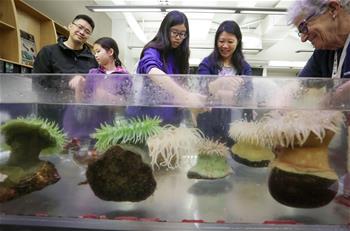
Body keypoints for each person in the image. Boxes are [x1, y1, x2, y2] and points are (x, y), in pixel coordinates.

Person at [288, 0, 350, 206]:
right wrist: (277, 118)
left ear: (333, 10)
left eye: (304, 27)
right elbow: (296, 88)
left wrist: (331, 99)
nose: (304, 38)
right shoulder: (324, 51)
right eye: (300, 32)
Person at [126, 10, 205, 125]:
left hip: (171, 121)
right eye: (174, 32)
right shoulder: (152, 50)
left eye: (182, 34)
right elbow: (153, 70)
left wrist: (193, 104)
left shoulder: (180, 56)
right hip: (145, 122)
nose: (178, 37)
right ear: (165, 30)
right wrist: (187, 97)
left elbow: (181, 86)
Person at [32, 14, 98, 129]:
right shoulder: (48, 52)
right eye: (80, 27)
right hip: (50, 118)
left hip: (79, 119)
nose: (82, 32)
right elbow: (38, 84)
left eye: (87, 31)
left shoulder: (92, 60)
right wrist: (68, 82)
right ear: (70, 26)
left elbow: (93, 90)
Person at [63, 37, 132, 141]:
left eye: (98, 51)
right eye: (94, 52)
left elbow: (125, 105)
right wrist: (79, 86)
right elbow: (82, 102)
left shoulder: (124, 76)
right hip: (90, 125)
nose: (95, 55)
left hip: (111, 127)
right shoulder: (93, 73)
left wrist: (106, 96)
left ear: (110, 52)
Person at [196, 20, 252, 146]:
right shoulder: (207, 63)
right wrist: (223, 83)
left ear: (238, 42)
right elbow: (202, 90)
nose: (225, 46)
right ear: (216, 41)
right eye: (221, 41)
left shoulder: (245, 67)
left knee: (233, 156)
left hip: (235, 122)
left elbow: (247, 96)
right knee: (208, 155)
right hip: (208, 121)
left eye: (230, 42)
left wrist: (219, 92)